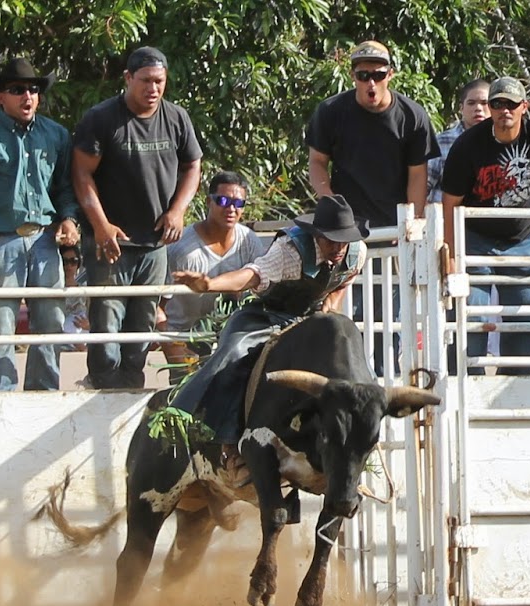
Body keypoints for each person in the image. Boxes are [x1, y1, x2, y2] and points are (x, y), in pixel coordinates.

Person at [170, 195, 366, 445]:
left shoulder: (357, 252)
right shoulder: (289, 251)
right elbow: (252, 275)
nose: (338, 249)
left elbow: (345, 279)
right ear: (317, 235)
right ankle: (226, 439)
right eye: (331, 241)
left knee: (349, 354)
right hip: (268, 316)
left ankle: (353, 431)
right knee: (233, 353)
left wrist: (331, 303)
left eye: (343, 241)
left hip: (312, 319)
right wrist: (210, 284)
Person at [439, 76, 530, 375]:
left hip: (521, 239)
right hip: (475, 237)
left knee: (525, 316)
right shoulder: (468, 144)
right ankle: (466, 383)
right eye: (497, 104)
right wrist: (451, 255)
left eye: (511, 104)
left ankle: (517, 384)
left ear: (524, 106)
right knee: (469, 316)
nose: (504, 110)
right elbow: (449, 204)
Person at [72, 46, 203, 389]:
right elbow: (81, 174)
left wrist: (178, 210)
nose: (153, 88)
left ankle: (131, 388)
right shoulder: (101, 118)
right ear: (128, 78)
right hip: (111, 243)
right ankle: (102, 387)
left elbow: (193, 165)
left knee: (144, 324)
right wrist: (100, 225)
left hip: (155, 243)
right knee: (107, 322)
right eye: (145, 80)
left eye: (159, 81)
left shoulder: (176, 118)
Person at [306, 41, 438, 369]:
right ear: (352, 76)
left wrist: (412, 222)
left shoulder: (412, 116)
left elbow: (418, 175)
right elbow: (317, 163)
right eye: (363, 75)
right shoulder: (330, 112)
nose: (371, 82)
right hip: (345, 233)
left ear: (390, 74)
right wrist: (330, 203)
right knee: (341, 312)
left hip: (393, 231)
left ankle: (382, 375)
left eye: (378, 74)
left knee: (387, 316)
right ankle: (342, 375)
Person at [0, 57, 79, 392]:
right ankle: (1, 395)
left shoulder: (56, 135)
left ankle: (44, 392)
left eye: (33, 89)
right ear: (0, 97)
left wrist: (69, 219)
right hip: (0, 240)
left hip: (45, 238)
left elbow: (65, 188)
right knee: (0, 322)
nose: (28, 96)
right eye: (18, 89)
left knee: (51, 320)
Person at [160, 170, 266, 381]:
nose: (231, 209)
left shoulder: (249, 242)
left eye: (238, 203)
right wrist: (172, 347)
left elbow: (263, 291)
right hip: (185, 340)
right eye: (223, 201)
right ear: (209, 201)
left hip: (232, 338)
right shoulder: (181, 249)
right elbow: (155, 307)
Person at [427, 79, 489, 203]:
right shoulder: (442, 142)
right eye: (471, 103)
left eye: (484, 103)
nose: (478, 108)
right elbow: (422, 187)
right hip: (444, 212)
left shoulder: (502, 142)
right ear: (461, 108)